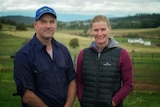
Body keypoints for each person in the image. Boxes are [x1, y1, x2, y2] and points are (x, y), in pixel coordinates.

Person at [14, 6, 76, 107]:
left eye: (52, 22)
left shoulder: (63, 50)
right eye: (43, 22)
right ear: (35, 25)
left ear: (56, 24)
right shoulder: (24, 55)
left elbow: (72, 80)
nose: (48, 26)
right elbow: (27, 95)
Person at [76, 15, 133, 107]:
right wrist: (82, 99)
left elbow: (128, 84)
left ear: (109, 29)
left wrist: (113, 102)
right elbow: (79, 81)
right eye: (96, 30)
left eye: (103, 29)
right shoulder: (83, 54)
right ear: (91, 31)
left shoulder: (122, 54)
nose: (99, 33)